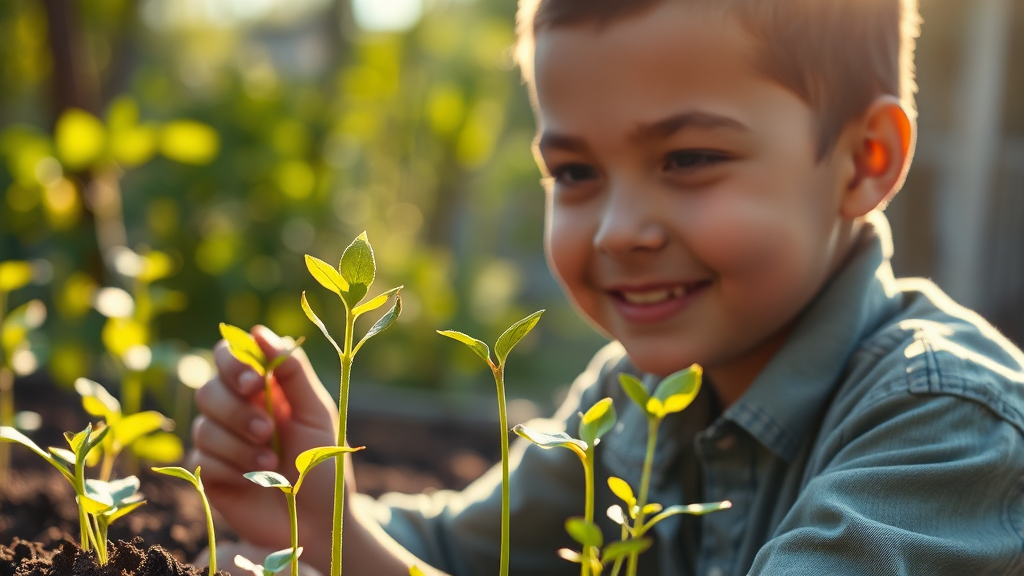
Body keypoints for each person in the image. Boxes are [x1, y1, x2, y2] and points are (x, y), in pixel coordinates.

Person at [188, 0, 1024, 574]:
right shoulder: (637, 398)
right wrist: (317, 515)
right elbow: (463, 553)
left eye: (689, 158)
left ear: (863, 159)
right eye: (576, 170)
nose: (620, 229)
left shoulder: (946, 429)